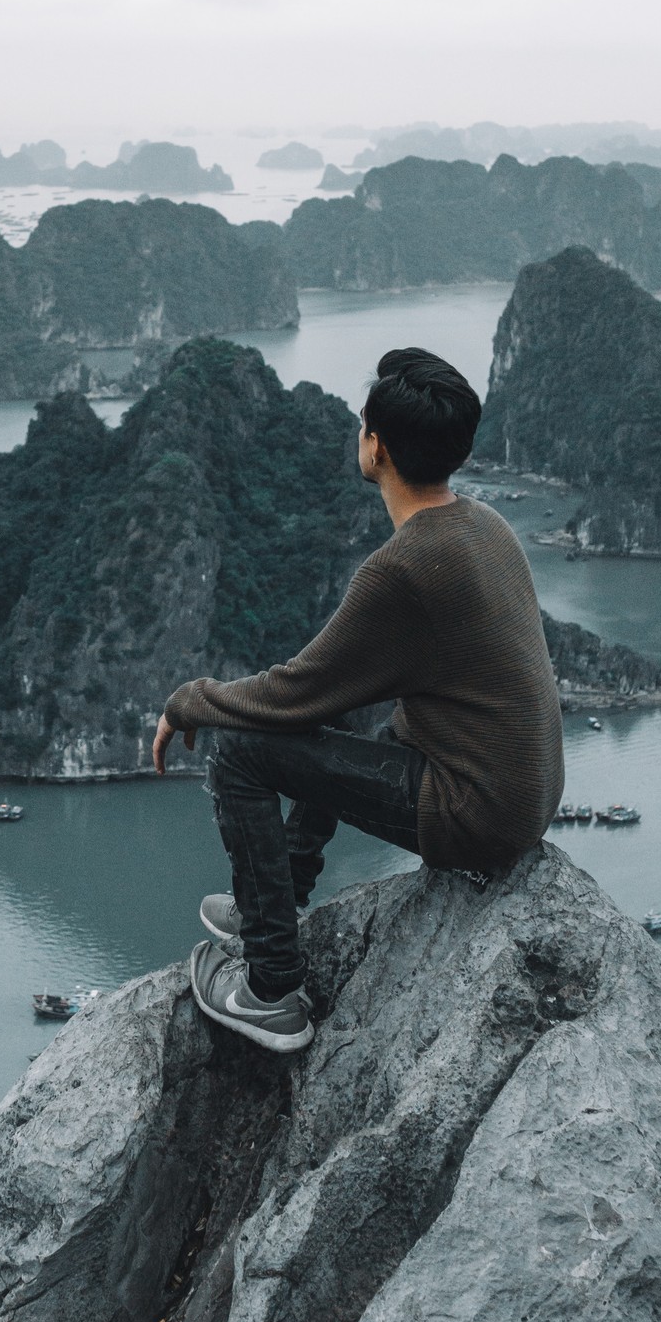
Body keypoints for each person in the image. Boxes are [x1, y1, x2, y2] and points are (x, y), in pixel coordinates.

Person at [153, 347, 564, 1055]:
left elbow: (294, 693)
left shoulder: (401, 570)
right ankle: (272, 901)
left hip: (474, 813)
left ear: (376, 446)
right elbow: (332, 687)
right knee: (344, 697)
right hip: (516, 790)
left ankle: (272, 987)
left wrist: (191, 700)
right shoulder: (485, 524)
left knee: (241, 752)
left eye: (362, 424)